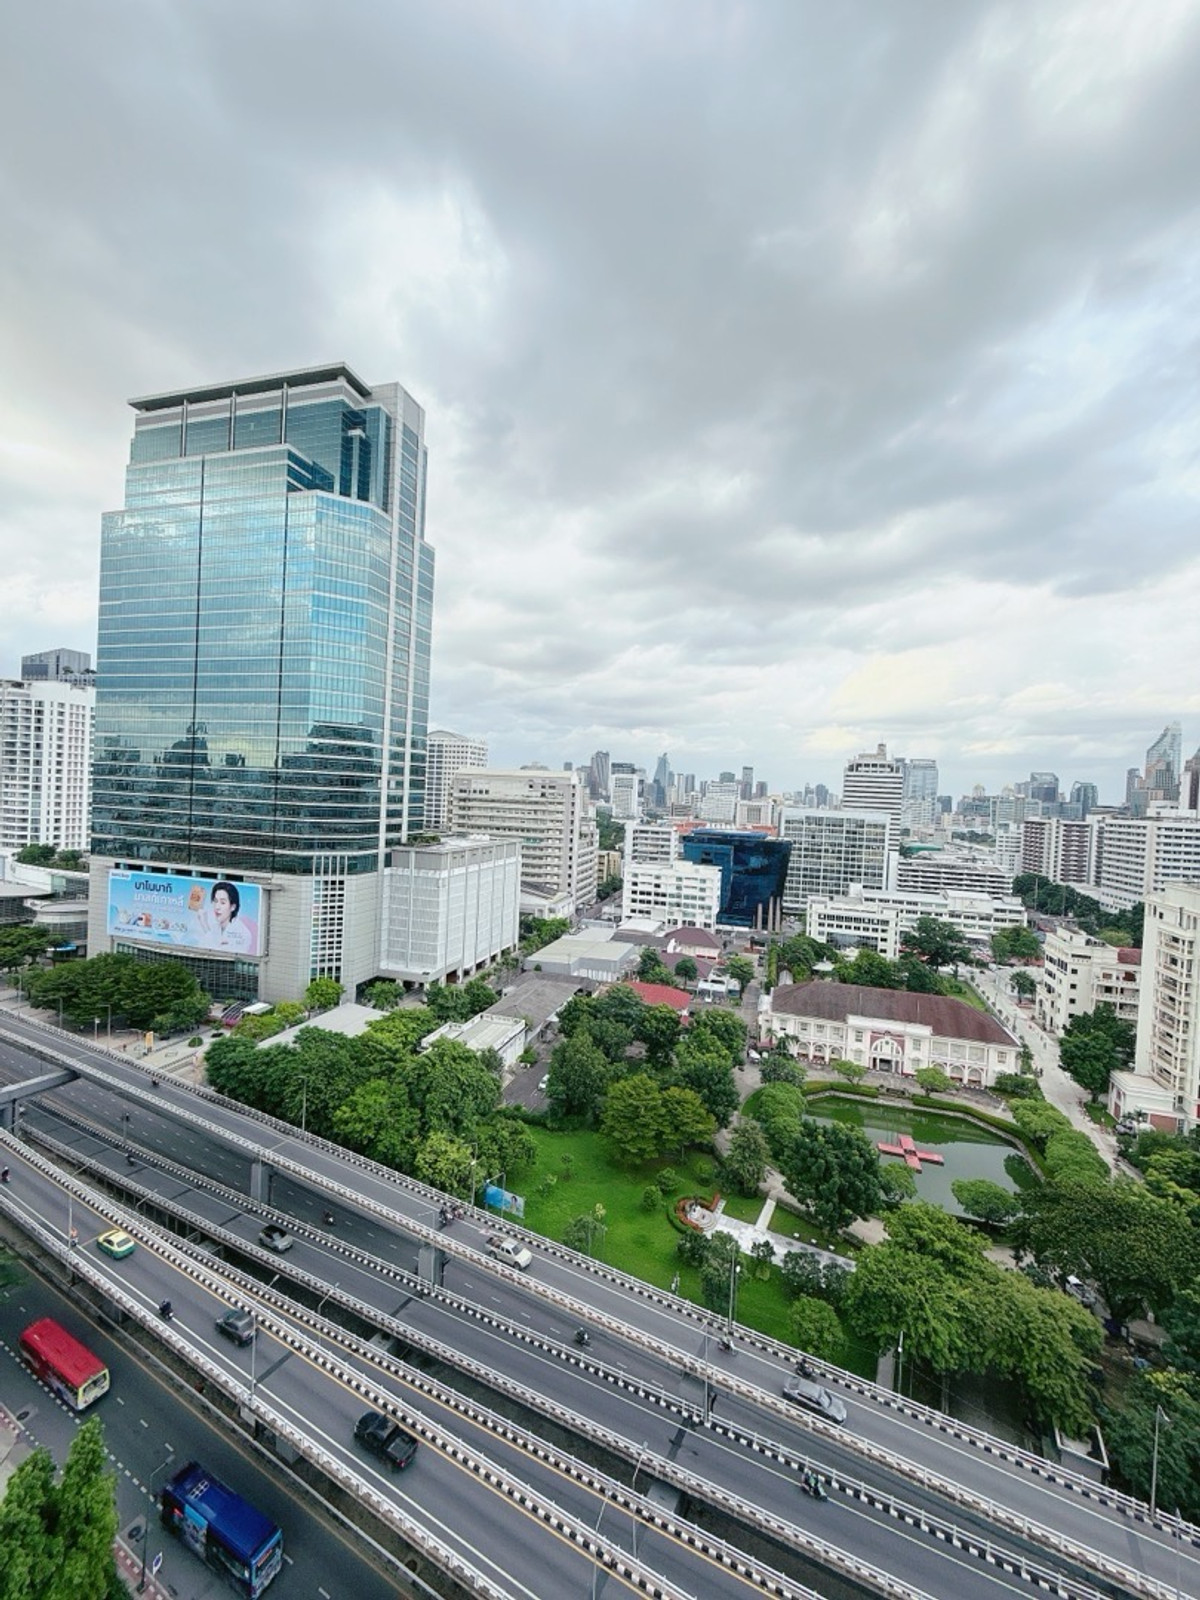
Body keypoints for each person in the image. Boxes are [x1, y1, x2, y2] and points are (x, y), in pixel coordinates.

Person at [195, 881, 254, 954]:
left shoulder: (243, 933)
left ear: (233, 907)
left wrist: (204, 925)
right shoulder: (215, 927)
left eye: (222, 903)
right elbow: (202, 947)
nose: (217, 907)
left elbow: (221, 953)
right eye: (215, 901)